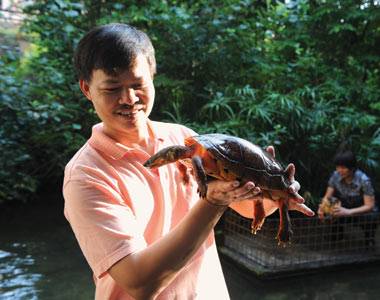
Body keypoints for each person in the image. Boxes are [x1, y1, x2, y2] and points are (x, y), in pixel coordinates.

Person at [63, 23, 314, 300]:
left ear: (153, 76)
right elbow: (139, 283)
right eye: (112, 89)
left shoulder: (183, 137)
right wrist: (212, 203)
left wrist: (275, 193)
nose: (129, 98)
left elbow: (244, 204)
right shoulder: (86, 175)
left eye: (138, 84)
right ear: (87, 89)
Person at [318, 150, 376, 219]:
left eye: (343, 168)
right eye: (338, 167)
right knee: (328, 212)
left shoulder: (364, 180)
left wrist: (348, 212)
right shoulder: (335, 175)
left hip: (360, 209)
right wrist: (322, 208)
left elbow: (369, 206)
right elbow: (327, 197)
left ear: (352, 168)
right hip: (344, 206)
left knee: (371, 217)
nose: (339, 170)